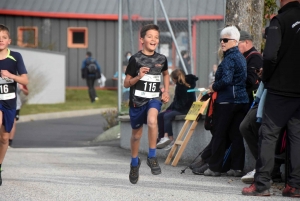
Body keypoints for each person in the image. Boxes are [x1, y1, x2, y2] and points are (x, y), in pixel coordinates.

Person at [242, 0, 300, 197]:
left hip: (281, 89)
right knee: (297, 137)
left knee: (268, 135)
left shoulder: (280, 20)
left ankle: (262, 184)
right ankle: (295, 186)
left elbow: (269, 55)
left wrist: (266, 78)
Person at [123, 24, 170, 184]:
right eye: (150, 36)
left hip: (154, 98)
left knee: (152, 120)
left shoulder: (161, 59)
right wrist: (138, 77)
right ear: (142, 39)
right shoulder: (135, 59)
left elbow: (165, 74)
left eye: (156, 37)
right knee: (136, 135)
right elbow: (126, 83)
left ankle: (152, 156)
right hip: (137, 101)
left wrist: (166, 91)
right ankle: (134, 163)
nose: (154, 40)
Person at [204, 25, 249, 177]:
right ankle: (237, 168)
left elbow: (226, 80)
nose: (222, 43)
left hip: (227, 101)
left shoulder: (229, 58)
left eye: (225, 40)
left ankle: (215, 168)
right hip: (242, 101)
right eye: (221, 40)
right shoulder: (241, 57)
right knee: (236, 135)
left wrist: (213, 87)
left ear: (235, 41)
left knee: (219, 134)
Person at [0, 24, 28, 186]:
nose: (0, 40)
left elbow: (24, 80)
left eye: (4, 37)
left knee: (4, 138)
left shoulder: (15, 57)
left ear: (9, 41)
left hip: (10, 102)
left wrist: (11, 75)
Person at [156, 69, 198, 150]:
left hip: (186, 109)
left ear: (175, 79)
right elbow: (176, 101)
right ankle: (162, 137)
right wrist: (169, 109)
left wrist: (171, 109)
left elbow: (181, 102)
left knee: (167, 116)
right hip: (182, 107)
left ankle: (169, 139)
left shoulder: (181, 87)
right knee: (161, 115)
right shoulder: (183, 84)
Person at [238, 30, 262, 105]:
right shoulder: (243, 56)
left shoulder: (255, 57)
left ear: (246, 42)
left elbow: (251, 80)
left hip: (250, 99)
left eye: (237, 44)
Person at [9, 84, 29, 148]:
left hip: (15, 105)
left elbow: (26, 92)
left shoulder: (19, 80)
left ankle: (9, 142)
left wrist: (22, 88)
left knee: (12, 122)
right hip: (3, 105)